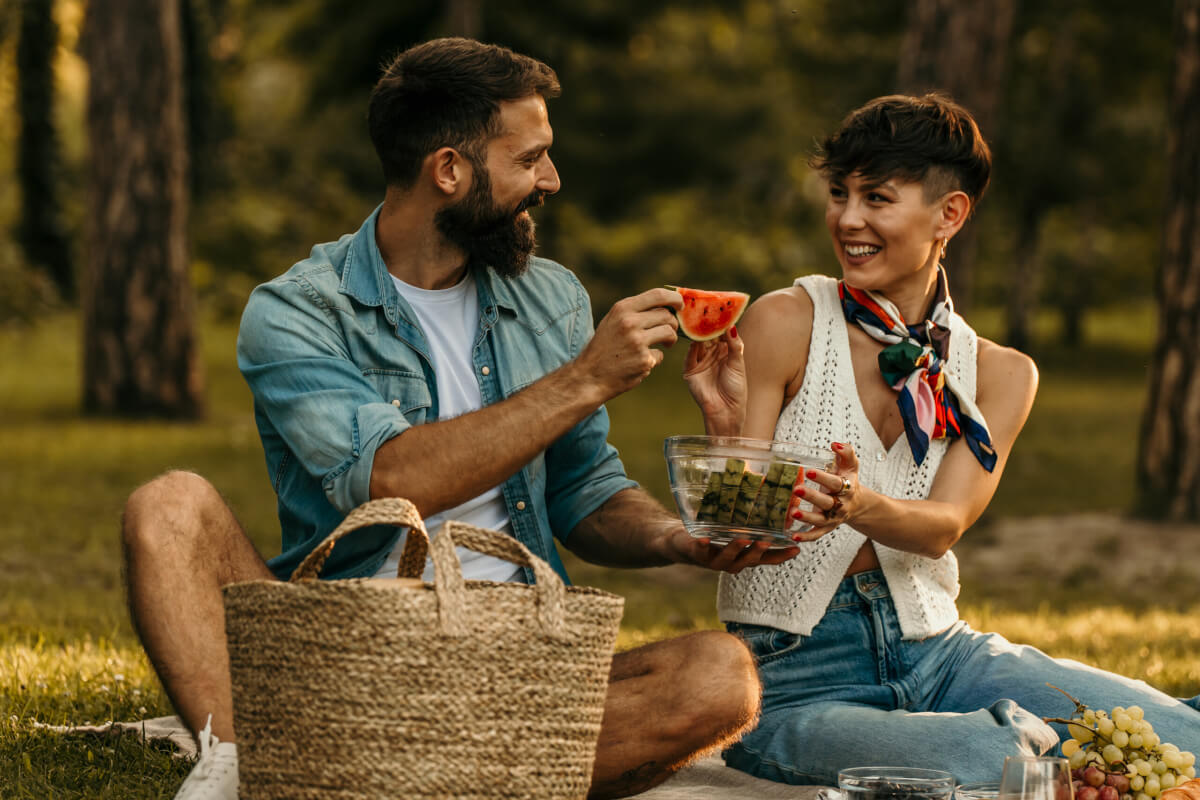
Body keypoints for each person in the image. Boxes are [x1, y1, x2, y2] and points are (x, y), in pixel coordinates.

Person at [121, 38, 797, 800]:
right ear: (449, 170)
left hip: (517, 664)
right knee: (168, 505)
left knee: (720, 677)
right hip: (347, 655)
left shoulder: (552, 297)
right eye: (530, 158)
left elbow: (583, 491)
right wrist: (585, 379)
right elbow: (390, 479)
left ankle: (355, 772)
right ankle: (277, 758)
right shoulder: (299, 309)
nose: (551, 179)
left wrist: (677, 539)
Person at [682, 93, 1200, 786]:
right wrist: (725, 431)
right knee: (1001, 762)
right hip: (798, 678)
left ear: (949, 214)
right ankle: (1011, 738)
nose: (848, 218)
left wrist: (855, 504)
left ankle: (1038, 731)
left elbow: (942, 527)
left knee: (1181, 738)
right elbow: (729, 545)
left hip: (945, 655)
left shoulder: (1001, 374)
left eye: (877, 197)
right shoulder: (787, 320)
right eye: (840, 193)